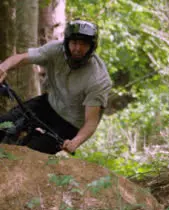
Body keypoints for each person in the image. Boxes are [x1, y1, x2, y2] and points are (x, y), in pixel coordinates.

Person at [0, 19, 112, 154]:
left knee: (31, 153)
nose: (77, 48)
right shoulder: (56, 50)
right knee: (4, 124)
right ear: (67, 42)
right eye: (74, 42)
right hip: (48, 104)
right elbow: (22, 58)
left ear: (92, 47)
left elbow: (91, 121)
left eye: (83, 44)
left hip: (70, 124)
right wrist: (3, 68)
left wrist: (75, 142)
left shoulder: (99, 79)